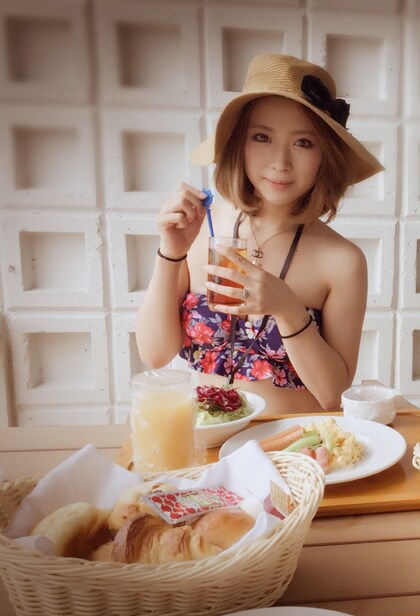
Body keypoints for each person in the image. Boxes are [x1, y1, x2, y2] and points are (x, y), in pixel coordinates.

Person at [135, 53, 384, 414]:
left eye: (303, 142)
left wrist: (287, 307)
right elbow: (155, 355)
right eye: (262, 137)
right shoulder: (199, 229)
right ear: (239, 144)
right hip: (209, 437)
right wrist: (170, 253)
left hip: (297, 442)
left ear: (324, 156)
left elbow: (333, 396)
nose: (280, 162)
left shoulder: (342, 262)